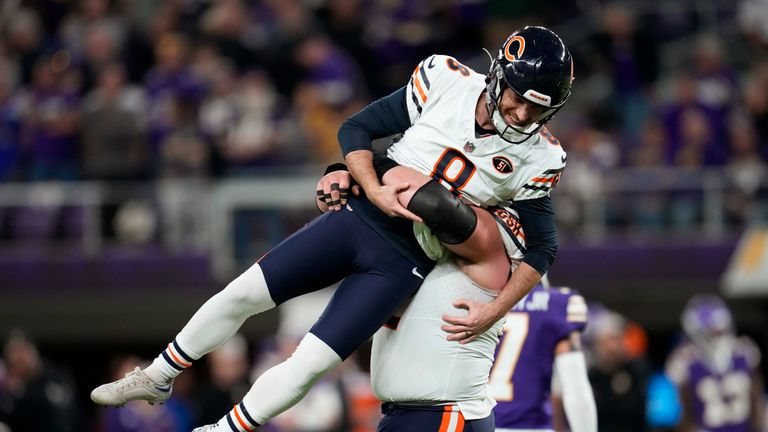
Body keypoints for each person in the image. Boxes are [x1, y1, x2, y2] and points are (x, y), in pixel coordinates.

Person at [91, 25, 573, 432]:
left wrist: (496, 312)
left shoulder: (541, 156)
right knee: (241, 295)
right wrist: (366, 182)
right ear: (498, 77)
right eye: (519, 100)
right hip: (360, 217)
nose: (525, 115)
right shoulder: (446, 81)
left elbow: (542, 249)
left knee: (310, 365)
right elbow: (356, 129)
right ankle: (159, 374)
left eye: (539, 109)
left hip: (407, 259)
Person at [665, 294, 765, 432]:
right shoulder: (684, 361)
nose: (721, 337)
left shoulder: (744, 352)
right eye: (714, 333)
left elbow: (757, 402)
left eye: (722, 331)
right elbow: (679, 412)